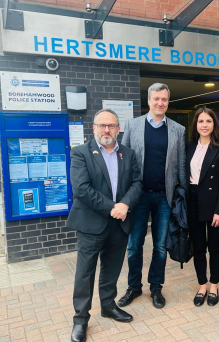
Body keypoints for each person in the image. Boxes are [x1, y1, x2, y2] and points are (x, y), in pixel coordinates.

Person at [68, 109, 142, 342]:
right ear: (94, 128)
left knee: (111, 268)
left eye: (111, 126)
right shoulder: (80, 153)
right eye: (102, 125)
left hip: (119, 224)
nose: (107, 130)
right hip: (92, 223)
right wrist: (113, 207)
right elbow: (81, 189)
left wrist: (126, 205)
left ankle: (108, 306)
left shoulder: (128, 154)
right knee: (85, 273)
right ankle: (80, 319)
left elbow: (138, 183)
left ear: (118, 129)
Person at [118, 83, 186, 309]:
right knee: (134, 245)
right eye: (156, 98)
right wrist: (122, 197)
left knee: (159, 246)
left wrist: (184, 193)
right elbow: (122, 162)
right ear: (148, 100)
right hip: (137, 197)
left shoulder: (178, 129)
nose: (160, 103)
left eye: (164, 99)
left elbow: (181, 166)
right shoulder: (132, 125)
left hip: (164, 198)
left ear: (168, 101)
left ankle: (156, 287)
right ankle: (133, 287)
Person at [186, 108, 219, 307]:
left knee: (214, 247)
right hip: (193, 201)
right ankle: (202, 285)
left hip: (213, 203)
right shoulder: (188, 147)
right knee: (198, 248)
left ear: (214, 124)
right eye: (200, 121)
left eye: (208, 121)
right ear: (195, 125)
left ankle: (214, 285)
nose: (204, 125)